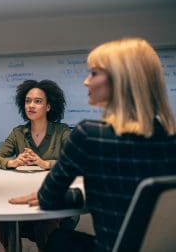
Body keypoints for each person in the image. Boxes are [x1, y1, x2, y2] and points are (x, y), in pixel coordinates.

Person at [9, 38, 176, 251]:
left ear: (121, 80)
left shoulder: (89, 135)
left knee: (52, 234)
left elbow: (48, 199)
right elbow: (135, 193)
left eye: (94, 73)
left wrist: (53, 194)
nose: (86, 82)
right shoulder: (170, 138)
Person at [0, 79, 78, 250]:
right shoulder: (18, 133)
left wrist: (46, 163)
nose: (31, 105)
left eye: (38, 101)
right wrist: (12, 162)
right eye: (28, 101)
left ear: (48, 107)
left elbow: (74, 162)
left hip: (53, 196)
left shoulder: (62, 132)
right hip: (24, 195)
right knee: (4, 221)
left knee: (45, 223)